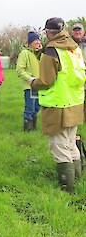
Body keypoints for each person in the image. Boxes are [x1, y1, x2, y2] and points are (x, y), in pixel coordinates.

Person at [31, 17, 85, 194]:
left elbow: (46, 80)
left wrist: (33, 82)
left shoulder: (52, 50)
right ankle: (77, 182)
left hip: (58, 105)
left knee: (60, 147)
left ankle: (67, 190)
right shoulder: (74, 48)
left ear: (48, 33)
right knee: (70, 143)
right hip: (75, 103)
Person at [16, 31, 42, 132]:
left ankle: (33, 128)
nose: (38, 42)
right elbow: (20, 70)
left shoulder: (41, 53)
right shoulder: (25, 53)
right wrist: (30, 79)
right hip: (30, 86)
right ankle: (27, 130)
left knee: (37, 107)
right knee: (30, 108)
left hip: (40, 85)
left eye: (38, 40)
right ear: (30, 42)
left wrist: (41, 52)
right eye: (35, 40)